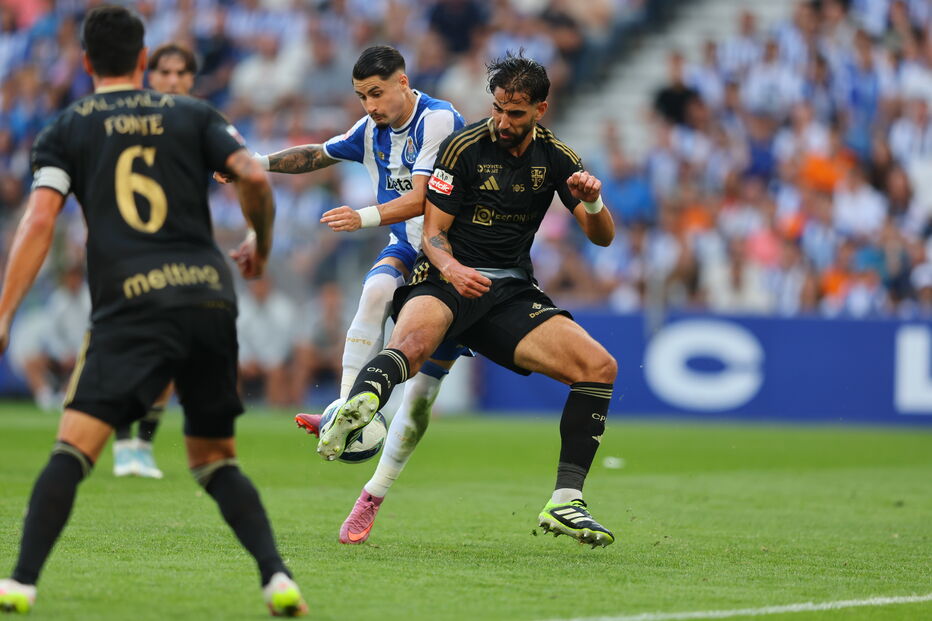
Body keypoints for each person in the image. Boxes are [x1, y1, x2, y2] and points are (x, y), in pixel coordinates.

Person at [0, 7, 306, 616]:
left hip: (132, 300)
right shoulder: (196, 114)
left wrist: (4, 315)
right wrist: (261, 246)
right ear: (144, 62)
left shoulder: (66, 127)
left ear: (85, 63)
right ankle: (277, 578)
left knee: (73, 449)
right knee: (215, 460)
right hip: (209, 295)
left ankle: (21, 584)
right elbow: (254, 177)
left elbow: (38, 220)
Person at [320, 52, 618, 548]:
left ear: (540, 110)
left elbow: (602, 238)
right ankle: (358, 408)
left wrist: (593, 201)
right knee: (410, 352)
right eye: (498, 108)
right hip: (442, 278)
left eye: (515, 113)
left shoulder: (559, 158)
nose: (502, 121)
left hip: (508, 292)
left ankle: (566, 501)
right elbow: (433, 234)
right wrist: (453, 269)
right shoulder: (463, 147)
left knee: (599, 366)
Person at [242, 46, 467, 544]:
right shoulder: (371, 131)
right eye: (362, 95)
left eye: (377, 93)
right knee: (373, 294)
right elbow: (317, 154)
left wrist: (361, 216)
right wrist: (256, 163)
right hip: (407, 249)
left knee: (420, 403)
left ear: (403, 83)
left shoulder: (438, 120)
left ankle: (374, 491)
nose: (369, 105)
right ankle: (343, 411)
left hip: (455, 260)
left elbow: (425, 198)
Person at [111, 42, 199, 479]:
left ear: (192, 80)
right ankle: (122, 439)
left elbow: (241, 175)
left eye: (181, 73)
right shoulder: (130, 123)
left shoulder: (203, 127)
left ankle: (140, 443)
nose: (172, 80)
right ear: (151, 77)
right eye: (164, 72)